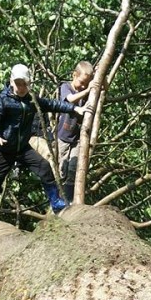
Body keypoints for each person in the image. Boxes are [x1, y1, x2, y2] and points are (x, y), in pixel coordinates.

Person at [0, 64, 86, 218]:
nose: (21, 88)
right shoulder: (3, 100)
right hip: (3, 149)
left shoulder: (32, 100)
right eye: (18, 84)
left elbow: (52, 104)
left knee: (44, 167)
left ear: (28, 83)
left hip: (22, 148)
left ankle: (56, 203)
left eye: (24, 84)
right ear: (11, 81)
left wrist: (74, 109)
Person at [57, 61, 94, 202]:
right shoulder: (66, 87)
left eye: (87, 83)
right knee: (62, 169)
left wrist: (100, 76)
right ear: (74, 75)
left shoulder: (86, 92)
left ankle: (69, 200)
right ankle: (59, 199)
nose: (84, 86)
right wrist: (86, 90)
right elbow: (70, 100)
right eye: (82, 82)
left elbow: (104, 88)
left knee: (73, 168)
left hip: (78, 138)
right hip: (63, 137)